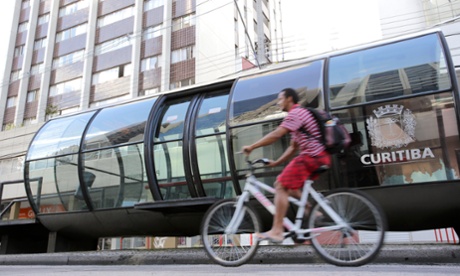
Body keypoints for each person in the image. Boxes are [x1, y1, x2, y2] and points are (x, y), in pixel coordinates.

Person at [242, 88, 331, 243]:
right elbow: (293, 147)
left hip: (312, 156)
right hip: (319, 157)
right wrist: (276, 163)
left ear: (289, 99)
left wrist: (252, 147)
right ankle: (313, 212)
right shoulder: (300, 116)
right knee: (289, 186)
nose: (278, 103)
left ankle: (277, 231)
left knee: (280, 185)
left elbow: (276, 134)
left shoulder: (295, 114)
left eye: (280, 99)